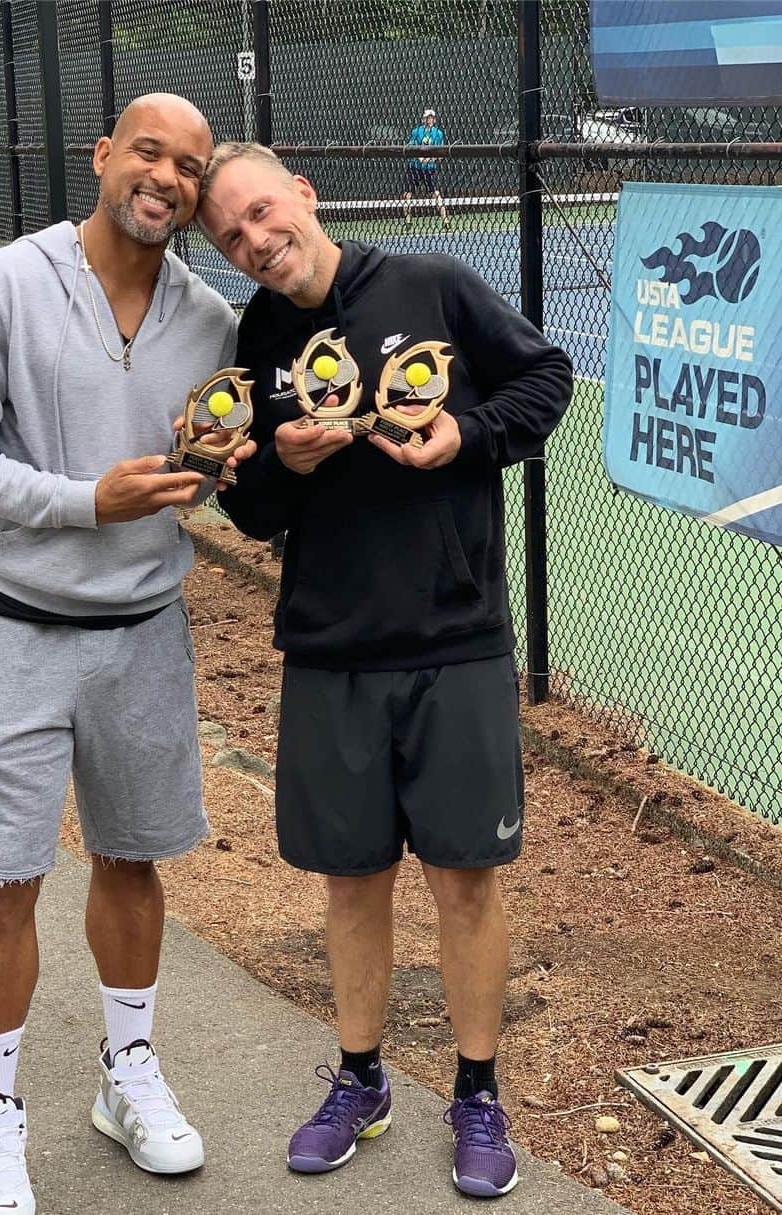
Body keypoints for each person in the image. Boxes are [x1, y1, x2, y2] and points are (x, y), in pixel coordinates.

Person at [197, 142, 572, 1198]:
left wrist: (465, 437)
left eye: (265, 213)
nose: (258, 242)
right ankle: (359, 1080)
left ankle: (478, 1093)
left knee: (465, 880)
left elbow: (546, 378)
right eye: (232, 235)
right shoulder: (258, 341)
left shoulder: (431, 284)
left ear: (304, 196)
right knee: (351, 882)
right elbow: (252, 508)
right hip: (329, 649)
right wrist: (283, 463)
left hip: (454, 639)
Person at [0, 94, 247, 1215]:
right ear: (103, 155)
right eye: (149, 152)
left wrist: (246, 473)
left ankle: (126, 1075)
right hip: (10, 627)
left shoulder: (212, 323)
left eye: (190, 168)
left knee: (132, 861)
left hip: (145, 634)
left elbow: (218, 465)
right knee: (5, 880)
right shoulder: (1, 284)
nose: (167, 177)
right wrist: (80, 501)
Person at [404, 107, 450, 226]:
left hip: (430, 169)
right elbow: (412, 147)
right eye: (427, 117)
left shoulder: (438, 133)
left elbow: (440, 153)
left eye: (431, 118)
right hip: (414, 167)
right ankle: (408, 221)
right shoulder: (416, 131)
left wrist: (430, 159)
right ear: (423, 119)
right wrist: (420, 158)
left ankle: (445, 220)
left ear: (434, 120)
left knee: (436, 193)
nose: (429, 120)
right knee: (408, 194)